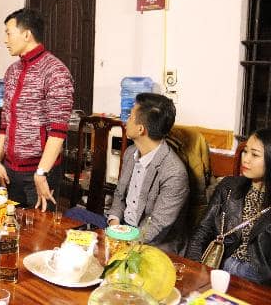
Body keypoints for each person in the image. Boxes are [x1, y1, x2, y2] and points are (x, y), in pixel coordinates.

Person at [0, 8, 74, 211]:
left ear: (26, 34)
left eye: (9, 33)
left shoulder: (56, 71)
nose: (5, 40)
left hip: (38, 173)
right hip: (10, 171)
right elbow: (5, 121)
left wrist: (41, 172)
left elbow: (58, 131)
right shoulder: (12, 71)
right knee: (11, 225)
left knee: (40, 228)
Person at [107, 93, 189, 253]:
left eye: (130, 117)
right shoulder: (130, 153)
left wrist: (124, 245)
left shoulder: (174, 172)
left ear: (141, 129)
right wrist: (114, 227)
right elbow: (119, 195)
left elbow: (156, 225)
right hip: (122, 232)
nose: (125, 121)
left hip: (152, 245)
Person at [187, 129, 271, 285]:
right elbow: (202, 231)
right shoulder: (228, 187)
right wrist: (195, 270)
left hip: (256, 282)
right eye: (245, 151)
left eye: (254, 154)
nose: (246, 159)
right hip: (220, 268)